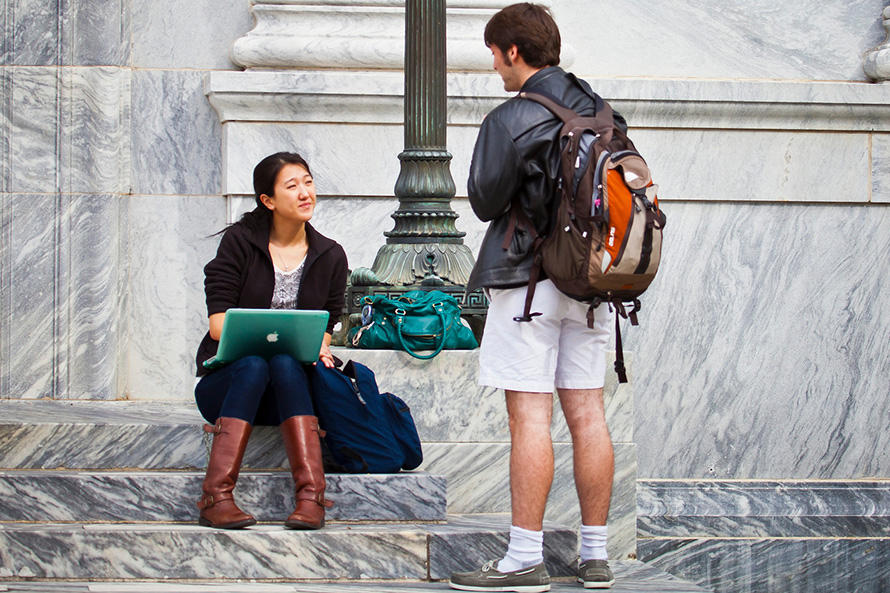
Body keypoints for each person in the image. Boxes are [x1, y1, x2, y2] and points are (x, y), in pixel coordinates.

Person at [449, 4, 627, 591]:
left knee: (530, 415)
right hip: (596, 284)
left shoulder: (512, 116)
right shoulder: (602, 111)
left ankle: (524, 557)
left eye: (495, 55)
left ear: (514, 53)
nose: (495, 66)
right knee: (587, 412)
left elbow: (484, 199)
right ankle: (595, 554)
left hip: (530, 283)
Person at [193, 152, 348, 531]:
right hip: (230, 390)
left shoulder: (330, 255)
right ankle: (216, 496)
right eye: (292, 186)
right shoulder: (239, 243)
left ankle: (311, 498)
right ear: (268, 200)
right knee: (255, 363)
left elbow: (330, 317)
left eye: (308, 182)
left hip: (290, 395)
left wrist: (322, 343)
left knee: (282, 363)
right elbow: (218, 326)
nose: (305, 193)